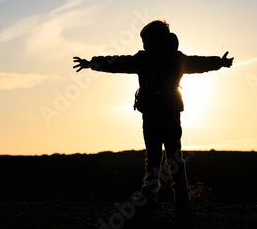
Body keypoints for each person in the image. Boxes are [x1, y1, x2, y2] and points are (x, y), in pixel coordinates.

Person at [73, 19, 233, 211]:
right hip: (170, 110)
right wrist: (219, 62)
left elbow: (117, 63)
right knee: (173, 156)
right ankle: (181, 199)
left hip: (151, 112)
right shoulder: (175, 58)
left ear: (151, 39)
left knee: (154, 157)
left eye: (144, 39)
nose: (143, 42)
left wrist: (91, 63)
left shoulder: (144, 59)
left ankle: (150, 198)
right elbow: (198, 62)